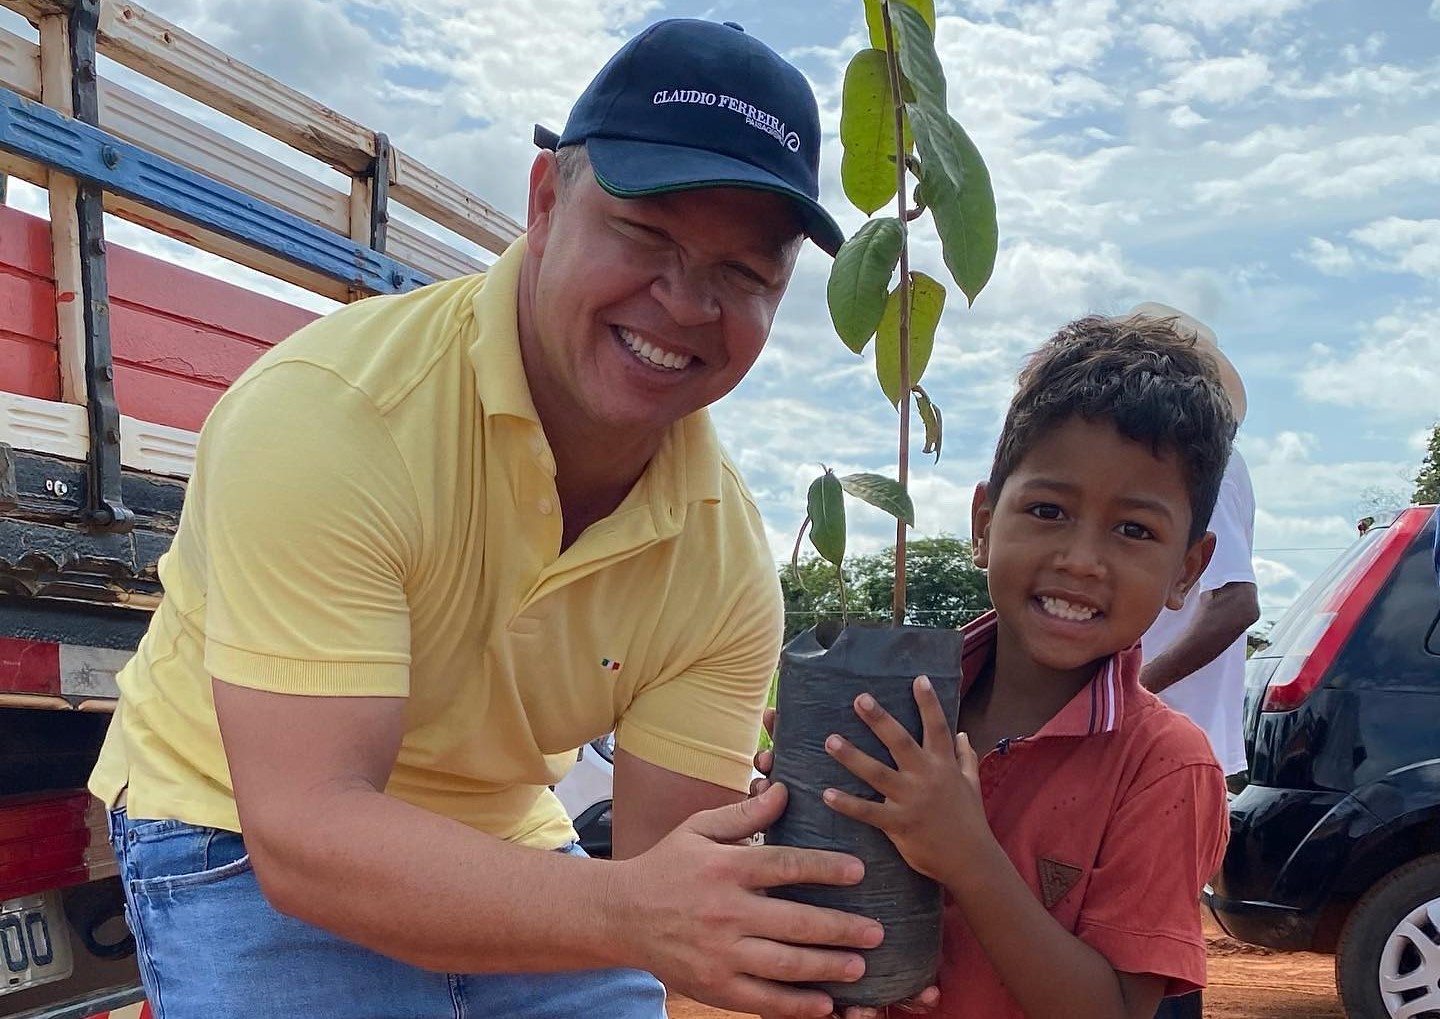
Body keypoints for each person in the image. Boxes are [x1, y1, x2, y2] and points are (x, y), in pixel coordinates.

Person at [87, 19, 885, 1019]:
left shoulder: (722, 561)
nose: (685, 303)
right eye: (649, 235)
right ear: (546, 200)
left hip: (503, 828)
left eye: (743, 275)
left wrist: (810, 965)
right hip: (234, 821)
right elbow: (306, 834)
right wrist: (629, 910)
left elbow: (673, 886)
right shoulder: (336, 415)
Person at [760, 314, 1234, 1018]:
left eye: (1134, 529)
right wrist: (799, 810)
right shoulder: (895, 710)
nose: (1080, 558)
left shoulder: (1167, 768)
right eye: (1048, 509)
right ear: (984, 522)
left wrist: (966, 855)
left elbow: (1114, 1009)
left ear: (1186, 570)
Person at [1128, 306, 1257, 1019]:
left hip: (1168, 749)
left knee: (1152, 946)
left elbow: (1236, 599)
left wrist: (1131, 690)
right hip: (1160, 741)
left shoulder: (1216, 465)